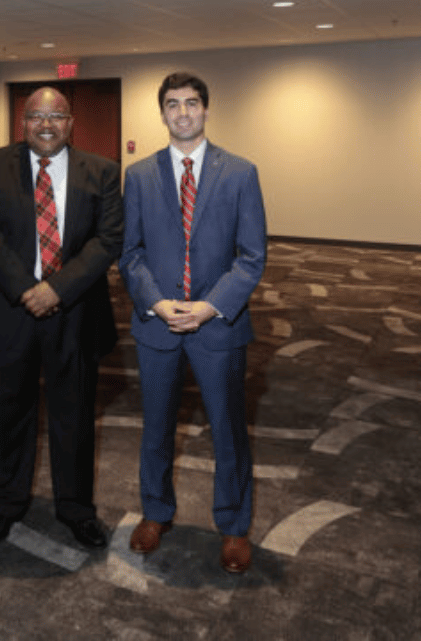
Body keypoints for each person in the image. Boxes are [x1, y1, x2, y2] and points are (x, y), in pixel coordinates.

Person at [119, 72, 267, 573]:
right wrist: (158, 303)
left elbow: (251, 257)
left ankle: (233, 526)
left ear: (206, 110)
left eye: (191, 103)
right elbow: (131, 254)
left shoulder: (240, 173)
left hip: (218, 325)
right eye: (172, 104)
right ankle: (155, 512)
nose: (182, 112)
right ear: (162, 113)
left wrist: (209, 307)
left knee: (227, 429)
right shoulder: (138, 176)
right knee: (156, 428)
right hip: (157, 323)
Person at [0, 86, 123, 549]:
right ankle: (5, 505)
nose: (45, 124)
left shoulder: (102, 171)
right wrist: (26, 290)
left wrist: (56, 289)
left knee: (73, 416)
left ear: (70, 123)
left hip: (75, 311)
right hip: (11, 310)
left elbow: (108, 239)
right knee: (6, 414)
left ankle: (76, 509)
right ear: (23, 123)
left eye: (56, 116)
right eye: (36, 115)